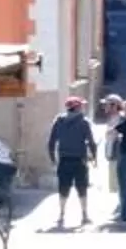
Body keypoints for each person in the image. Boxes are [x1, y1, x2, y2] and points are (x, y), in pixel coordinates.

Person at [46, 95, 96, 230]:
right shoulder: (84, 122)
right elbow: (91, 142)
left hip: (64, 160)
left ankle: (61, 215)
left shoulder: (58, 121)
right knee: (82, 188)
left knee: (63, 188)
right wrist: (94, 157)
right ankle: (84, 215)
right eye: (81, 106)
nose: (83, 108)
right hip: (79, 160)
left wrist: (52, 159)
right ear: (77, 107)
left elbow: (51, 142)